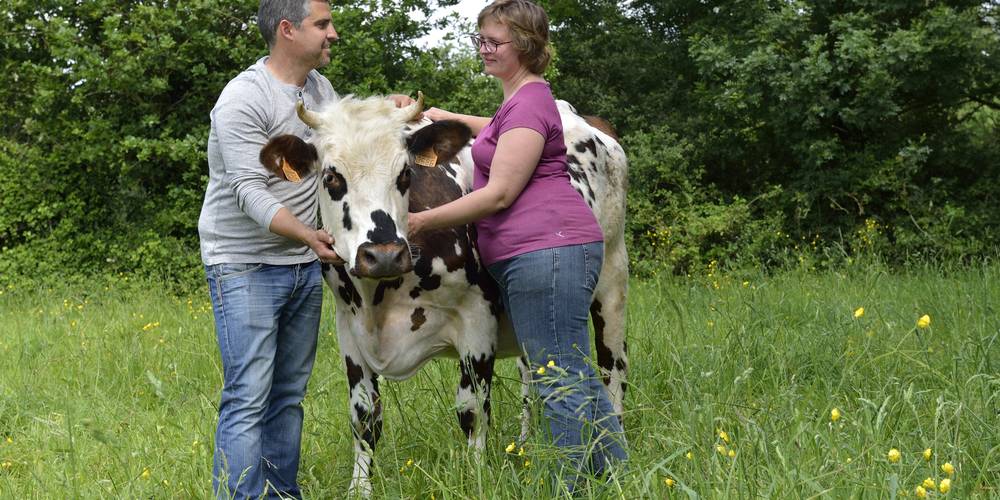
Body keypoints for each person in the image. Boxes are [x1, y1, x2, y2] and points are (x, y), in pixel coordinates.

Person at [408, 0, 627, 490]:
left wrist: (420, 220)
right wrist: (440, 116)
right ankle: (617, 474)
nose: (483, 50)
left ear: (525, 46)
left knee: (554, 376)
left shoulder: (527, 102)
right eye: (479, 40)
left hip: (546, 251)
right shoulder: (521, 101)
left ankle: (570, 485)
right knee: (570, 367)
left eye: (494, 42)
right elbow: (495, 133)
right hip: (543, 251)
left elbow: (500, 193)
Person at [198, 1, 412, 497]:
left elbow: (353, 145)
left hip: (302, 262)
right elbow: (248, 190)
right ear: (288, 30)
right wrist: (308, 235)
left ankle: (280, 493)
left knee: (289, 395)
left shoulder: (319, 91)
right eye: (323, 24)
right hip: (245, 264)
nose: (333, 33)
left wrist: (388, 107)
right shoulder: (242, 98)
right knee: (248, 397)